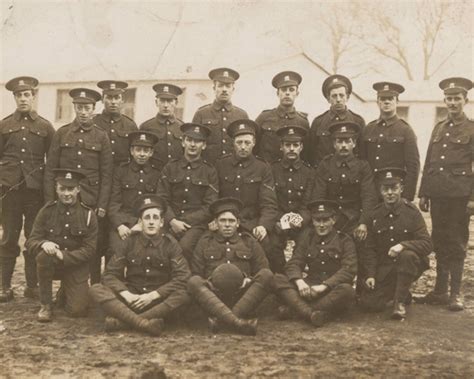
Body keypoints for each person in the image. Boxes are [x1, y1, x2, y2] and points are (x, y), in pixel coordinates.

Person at [90, 195, 190, 336]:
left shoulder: (170, 244)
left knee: (184, 294)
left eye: (155, 218)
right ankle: (145, 323)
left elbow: (183, 277)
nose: (151, 222)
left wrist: (154, 295)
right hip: (132, 299)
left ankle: (124, 322)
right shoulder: (128, 242)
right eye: (147, 218)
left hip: (158, 302)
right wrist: (127, 295)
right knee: (96, 289)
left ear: (161, 223)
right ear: (140, 222)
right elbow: (109, 274)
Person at [44, 88, 113, 284]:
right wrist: (50, 200)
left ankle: (94, 285)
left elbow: (107, 174)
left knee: (92, 245)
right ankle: (67, 287)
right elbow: (51, 170)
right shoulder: (62, 133)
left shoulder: (101, 136)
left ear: (94, 109)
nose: (83, 112)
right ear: (74, 107)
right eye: (80, 107)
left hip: (90, 199)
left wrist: (102, 204)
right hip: (65, 198)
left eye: (87, 108)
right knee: (66, 241)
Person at [417, 77, 474, 311]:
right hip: (438, 194)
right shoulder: (439, 127)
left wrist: (473, 198)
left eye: (457, 98)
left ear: (465, 100)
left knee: (457, 242)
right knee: (439, 240)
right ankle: (440, 291)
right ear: (445, 101)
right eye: (449, 99)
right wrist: (424, 192)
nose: (453, 103)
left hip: (460, 196)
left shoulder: (472, 128)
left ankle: (455, 293)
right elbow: (430, 161)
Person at [0, 76, 55, 301]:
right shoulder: (4, 125)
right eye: (18, 95)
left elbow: (51, 161)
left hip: (35, 192)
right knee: (8, 238)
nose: (23, 99)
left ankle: (32, 286)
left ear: (33, 97)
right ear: (14, 97)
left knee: (33, 237)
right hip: (10, 190)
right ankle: (4, 286)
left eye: (26, 95)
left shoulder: (44, 126)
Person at [187, 197, 273, 335]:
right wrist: (209, 282)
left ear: (238, 223)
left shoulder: (248, 241)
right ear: (216, 223)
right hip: (214, 296)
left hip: (243, 295)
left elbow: (263, 269)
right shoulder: (205, 242)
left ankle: (221, 320)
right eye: (223, 220)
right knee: (193, 282)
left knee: (267, 276)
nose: (227, 225)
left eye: (231, 221)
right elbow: (196, 272)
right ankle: (238, 322)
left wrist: (249, 279)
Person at [312, 121, 377, 293]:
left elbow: (369, 197)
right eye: (339, 141)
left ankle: (363, 288)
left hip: (353, 220)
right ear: (333, 143)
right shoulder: (325, 165)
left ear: (354, 143)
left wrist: (363, 223)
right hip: (329, 219)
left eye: (347, 141)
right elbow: (319, 197)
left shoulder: (363, 166)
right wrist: (324, 221)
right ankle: (325, 285)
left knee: (363, 242)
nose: (343, 145)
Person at [25, 169, 98, 322]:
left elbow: (90, 250)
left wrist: (62, 255)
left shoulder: (88, 215)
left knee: (77, 310)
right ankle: (46, 304)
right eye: (62, 189)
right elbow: (31, 241)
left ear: (78, 189)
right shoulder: (46, 211)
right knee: (44, 257)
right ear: (56, 189)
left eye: (70, 189)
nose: (66, 194)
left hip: (76, 265)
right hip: (53, 265)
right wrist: (44, 243)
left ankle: (65, 291)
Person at [360, 168, 431, 319]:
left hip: (409, 263)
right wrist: (371, 275)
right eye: (386, 189)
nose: (390, 193)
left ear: (401, 189)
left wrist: (403, 245)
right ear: (380, 191)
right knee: (369, 304)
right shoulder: (375, 214)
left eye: (394, 188)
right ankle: (402, 292)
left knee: (407, 255)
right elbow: (370, 248)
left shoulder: (412, 212)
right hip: (386, 267)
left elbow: (427, 244)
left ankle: (399, 304)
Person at [274, 200, 357, 327]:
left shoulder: (344, 240)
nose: (321, 225)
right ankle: (312, 313)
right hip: (309, 287)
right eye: (318, 220)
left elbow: (348, 270)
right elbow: (294, 263)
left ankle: (295, 310)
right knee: (278, 279)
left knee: (347, 290)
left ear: (333, 220)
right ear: (312, 221)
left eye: (325, 220)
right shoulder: (307, 238)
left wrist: (324, 286)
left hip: (331, 290)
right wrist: (300, 282)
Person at [215, 119, 279, 267]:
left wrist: (263, 225)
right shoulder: (221, 164)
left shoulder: (262, 168)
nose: (243, 147)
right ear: (233, 143)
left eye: (247, 143)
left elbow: (269, 204)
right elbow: (213, 197)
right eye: (239, 142)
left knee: (269, 248)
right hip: (224, 221)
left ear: (254, 143)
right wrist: (215, 219)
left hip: (252, 222)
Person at [156, 123, 218, 261]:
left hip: (195, 225)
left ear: (204, 145)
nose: (193, 144)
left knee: (185, 247)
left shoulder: (210, 171)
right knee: (160, 245)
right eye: (189, 140)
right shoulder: (170, 167)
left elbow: (210, 205)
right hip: (169, 221)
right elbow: (161, 198)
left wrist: (184, 222)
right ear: (183, 143)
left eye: (197, 141)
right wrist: (172, 220)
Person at [360, 82, 420, 201]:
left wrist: (407, 196)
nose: (386, 102)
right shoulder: (368, 129)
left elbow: (413, 166)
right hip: (371, 191)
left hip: (394, 192)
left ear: (397, 101)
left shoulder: (405, 130)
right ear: (378, 102)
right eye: (382, 99)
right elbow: (362, 162)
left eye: (390, 98)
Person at [108, 131, 161, 258]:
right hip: (123, 222)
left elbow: (158, 203)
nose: (142, 154)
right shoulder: (120, 171)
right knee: (117, 250)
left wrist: (144, 223)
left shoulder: (157, 173)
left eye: (146, 150)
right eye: (138, 150)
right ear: (132, 151)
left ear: (151, 153)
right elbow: (114, 203)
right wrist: (119, 225)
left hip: (147, 222)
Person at [269, 125, 314, 273]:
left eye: (296, 145)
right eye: (288, 145)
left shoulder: (309, 172)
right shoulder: (271, 170)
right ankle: (280, 278)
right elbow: (269, 201)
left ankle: (296, 277)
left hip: (301, 223)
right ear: (281, 147)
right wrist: (280, 221)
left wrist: (299, 220)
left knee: (304, 243)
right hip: (277, 221)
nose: (292, 149)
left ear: (301, 147)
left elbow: (308, 204)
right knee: (272, 245)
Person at [192, 68, 249, 164]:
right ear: (214, 88)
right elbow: (193, 143)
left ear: (233, 89)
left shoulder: (242, 115)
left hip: (233, 169)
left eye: (228, 86)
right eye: (220, 85)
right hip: (208, 168)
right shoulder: (201, 114)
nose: (224, 90)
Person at [305, 74, 365, 166]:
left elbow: (362, 153)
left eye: (341, 95)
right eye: (334, 96)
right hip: (324, 175)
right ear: (328, 99)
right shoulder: (318, 122)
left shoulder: (357, 121)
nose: (338, 99)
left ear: (347, 97)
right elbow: (311, 154)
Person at [255, 71, 310, 164]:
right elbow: (254, 146)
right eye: (284, 90)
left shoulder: (302, 122)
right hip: (268, 172)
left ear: (297, 93)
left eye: (291, 90)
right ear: (278, 93)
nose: (287, 93)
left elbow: (307, 153)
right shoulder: (264, 117)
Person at [94, 80, 138, 166]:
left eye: (117, 98)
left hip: (122, 175)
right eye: (109, 97)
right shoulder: (93, 123)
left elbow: (134, 155)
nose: (113, 102)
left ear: (122, 100)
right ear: (102, 100)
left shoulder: (130, 125)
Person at [139, 83, 184, 167]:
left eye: (170, 101)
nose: (166, 105)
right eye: (162, 101)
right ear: (156, 102)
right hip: (154, 174)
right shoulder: (146, 127)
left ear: (176, 103)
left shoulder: (182, 127)